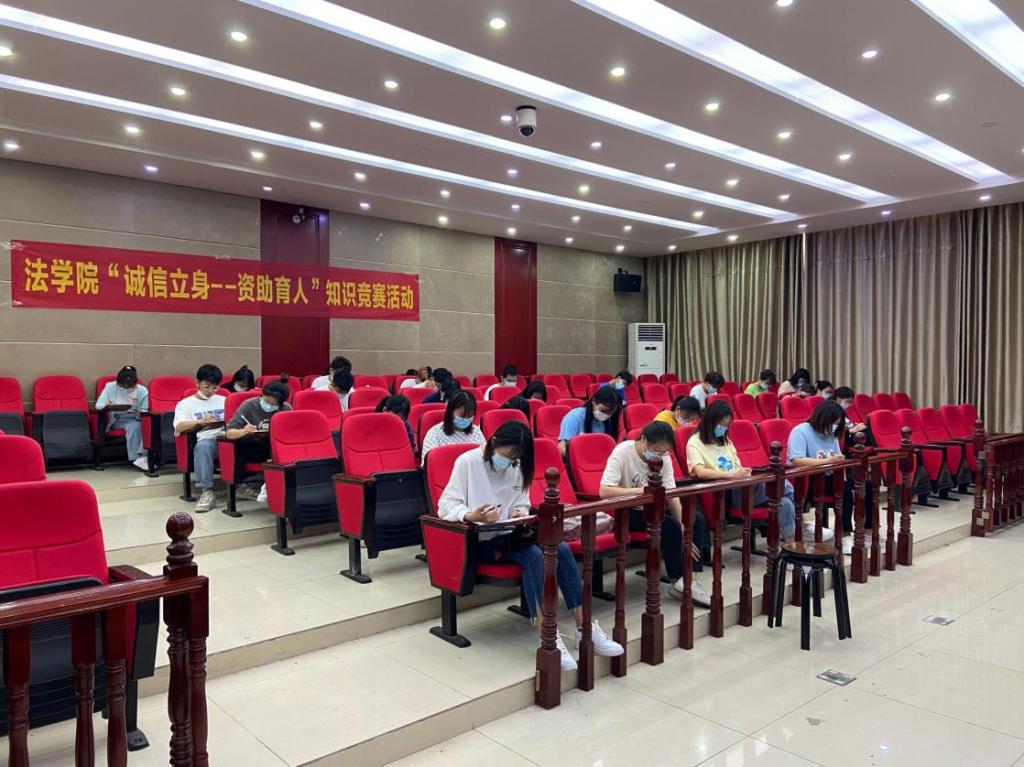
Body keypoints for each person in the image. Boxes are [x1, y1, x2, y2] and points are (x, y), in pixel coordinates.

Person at [438, 421, 624, 671]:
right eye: (508, 454)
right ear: (494, 441)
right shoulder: (468, 462)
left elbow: (522, 502)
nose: (510, 461)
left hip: (512, 535)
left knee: (560, 548)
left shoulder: (516, 466)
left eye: (516, 456)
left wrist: (520, 511)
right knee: (535, 556)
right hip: (480, 540)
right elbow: (446, 506)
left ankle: (585, 627)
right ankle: (548, 635)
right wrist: (472, 515)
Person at [599, 421, 709, 606]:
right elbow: (604, 491)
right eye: (657, 450)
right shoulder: (623, 452)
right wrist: (641, 491)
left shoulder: (663, 458)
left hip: (654, 508)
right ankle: (678, 580)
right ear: (644, 440)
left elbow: (672, 494)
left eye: (664, 452)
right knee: (670, 527)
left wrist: (685, 528)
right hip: (628, 511)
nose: (660, 455)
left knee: (694, 519)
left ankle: (691, 578)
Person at [685, 401, 802, 547]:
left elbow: (736, 466)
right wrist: (732, 476)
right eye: (721, 424)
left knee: (784, 503)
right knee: (779, 484)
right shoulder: (694, 442)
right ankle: (799, 523)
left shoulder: (725, 441)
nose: (723, 428)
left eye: (726, 425)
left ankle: (791, 547)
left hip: (742, 486)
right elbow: (699, 472)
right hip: (725, 493)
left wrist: (744, 472)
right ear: (710, 420)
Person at [787, 401, 870, 554]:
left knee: (864, 485)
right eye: (833, 423)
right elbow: (797, 460)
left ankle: (865, 530)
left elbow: (837, 458)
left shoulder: (831, 435)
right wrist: (827, 462)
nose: (834, 427)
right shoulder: (800, 431)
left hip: (830, 475)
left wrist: (841, 473)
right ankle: (844, 534)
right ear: (822, 418)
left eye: (837, 424)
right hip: (807, 478)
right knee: (844, 491)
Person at [225, 380, 292, 503]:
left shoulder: (286, 408)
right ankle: (240, 487)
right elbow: (229, 433)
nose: (270, 406)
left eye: (274, 404)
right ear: (262, 395)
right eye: (268, 402)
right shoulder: (248, 405)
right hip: (252, 445)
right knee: (238, 447)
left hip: (275, 445)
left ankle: (279, 485)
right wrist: (244, 431)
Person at [173, 364, 227, 512]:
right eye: (207, 386)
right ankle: (207, 491)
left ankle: (243, 485)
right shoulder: (186, 404)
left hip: (226, 436)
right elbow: (179, 426)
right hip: (206, 438)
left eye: (215, 387)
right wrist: (199, 422)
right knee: (203, 447)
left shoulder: (224, 400)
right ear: (197, 383)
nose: (210, 391)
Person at [95, 365, 150, 471]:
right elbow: (98, 405)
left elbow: (145, 409)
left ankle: (143, 456)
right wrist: (107, 406)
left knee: (145, 426)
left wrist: (140, 413)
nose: (125, 387)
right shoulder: (110, 387)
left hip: (135, 418)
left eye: (129, 386)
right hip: (116, 419)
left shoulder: (142, 390)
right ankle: (137, 458)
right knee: (135, 427)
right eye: (122, 385)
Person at [420, 389, 485, 464]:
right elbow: (429, 465)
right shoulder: (434, 434)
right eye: (462, 416)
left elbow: (486, 459)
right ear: (450, 412)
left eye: (469, 416)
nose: (466, 419)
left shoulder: (476, 432)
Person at [557, 387, 621, 457]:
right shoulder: (574, 417)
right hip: (580, 460)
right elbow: (562, 449)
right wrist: (585, 456)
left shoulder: (609, 420)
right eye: (603, 411)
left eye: (610, 413)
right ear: (594, 402)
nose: (606, 415)